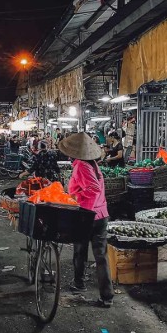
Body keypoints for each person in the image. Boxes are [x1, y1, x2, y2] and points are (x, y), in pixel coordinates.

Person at [58, 132, 114, 308]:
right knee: (101, 257)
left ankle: (79, 284)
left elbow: (93, 189)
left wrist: (74, 196)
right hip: (101, 215)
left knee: (80, 252)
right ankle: (107, 297)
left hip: (87, 215)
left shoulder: (81, 165)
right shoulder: (93, 165)